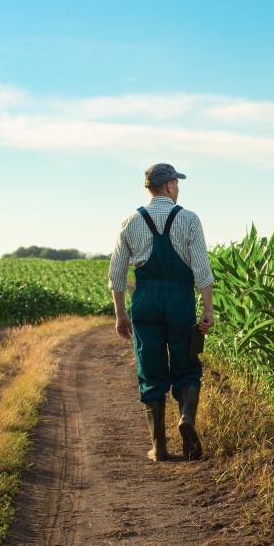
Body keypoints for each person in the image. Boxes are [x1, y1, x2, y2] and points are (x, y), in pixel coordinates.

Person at [108, 163, 215, 461]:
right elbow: (202, 270)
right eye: (177, 183)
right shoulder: (189, 219)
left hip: (146, 301)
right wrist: (207, 309)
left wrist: (121, 315)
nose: (178, 188)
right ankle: (186, 420)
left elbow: (116, 275)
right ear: (168, 186)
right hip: (179, 299)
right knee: (187, 363)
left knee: (150, 368)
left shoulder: (130, 222)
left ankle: (160, 447)